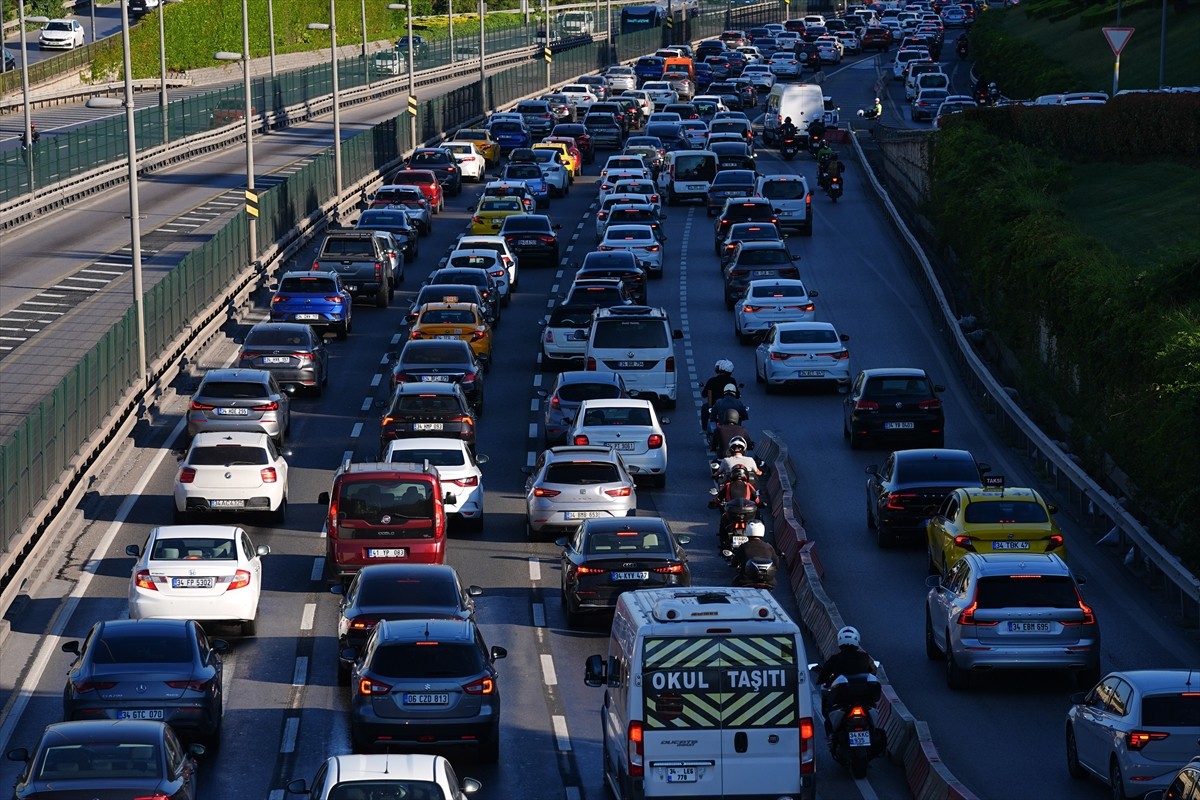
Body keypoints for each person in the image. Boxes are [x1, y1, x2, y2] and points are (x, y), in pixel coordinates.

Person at [731, 521, 780, 589]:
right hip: (767, 581)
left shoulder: (743, 547)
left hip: (746, 581)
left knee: (735, 582)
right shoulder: (768, 546)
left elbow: (734, 563)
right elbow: (776, 564)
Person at [701, 359, 736, 426]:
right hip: (730, 406)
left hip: (714, 407)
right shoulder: (732, 380)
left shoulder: (712, 380)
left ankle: (704, 428)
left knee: (704, 408)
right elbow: (737, 395)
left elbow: (704, 394)